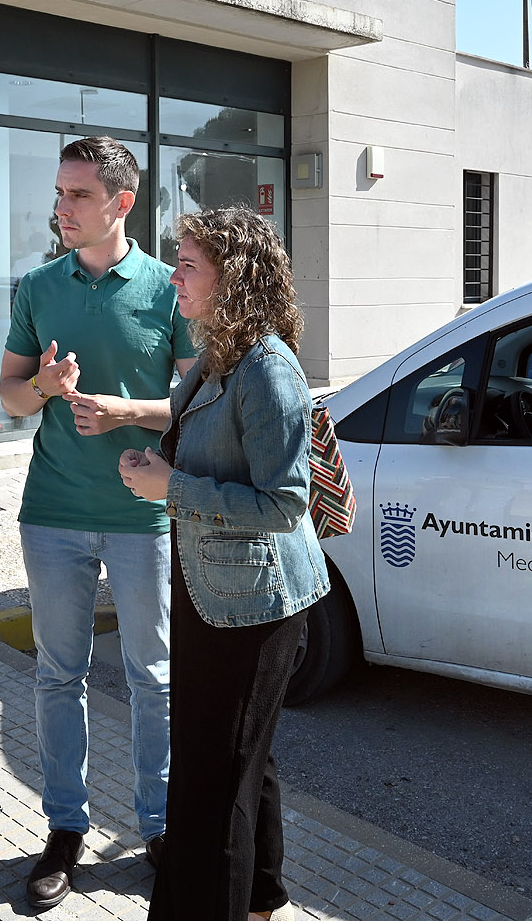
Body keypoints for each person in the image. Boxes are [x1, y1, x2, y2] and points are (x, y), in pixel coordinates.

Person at [0, 136, 196, 910]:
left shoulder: (165, 288)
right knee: (57, 673)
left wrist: (123, 410)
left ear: (121, 203)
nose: (61, 209)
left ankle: (158, 825)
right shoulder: (39, 285)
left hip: (143, 515)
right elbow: (10, 394)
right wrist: (44, 385)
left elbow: (187, 405)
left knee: (153, 676)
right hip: (52, 514)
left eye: (77, 196)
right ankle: (65, 829)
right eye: (58, 193)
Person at [117, 205, 329, 921]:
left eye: (187, 264)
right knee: (244, 759)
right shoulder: (218, 352)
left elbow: (284, 503)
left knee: (214, 778)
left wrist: (168, 486)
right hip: (216, 588)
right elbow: (203, 442)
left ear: (232, 277)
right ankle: (262, 898)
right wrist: (155, 454)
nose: (172, 276)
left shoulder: (268, 367)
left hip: (256, 606)